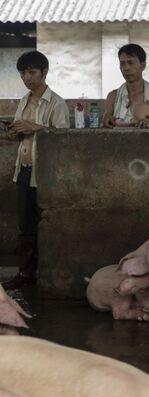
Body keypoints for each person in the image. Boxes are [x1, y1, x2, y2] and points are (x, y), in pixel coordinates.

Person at [2, 51, 69, 290]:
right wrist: (14, 132)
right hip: (24, 169)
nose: (27, 77)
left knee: (46, 222)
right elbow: (20, 135)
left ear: (44, 72)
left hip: (45, 173)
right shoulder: (24, 101)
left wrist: (33, 127)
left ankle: (48, 273)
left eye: (31, 72)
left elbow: (62, 137)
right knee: (25, 223)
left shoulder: (57, 103)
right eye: (23, 73)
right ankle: (26, 273)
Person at [102, 43, 149, 128]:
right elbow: (105, 124)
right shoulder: (112, 97)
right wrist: (107, 120)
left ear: (143, 66)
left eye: (130, 63)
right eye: (122, 64)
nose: (126, 68)